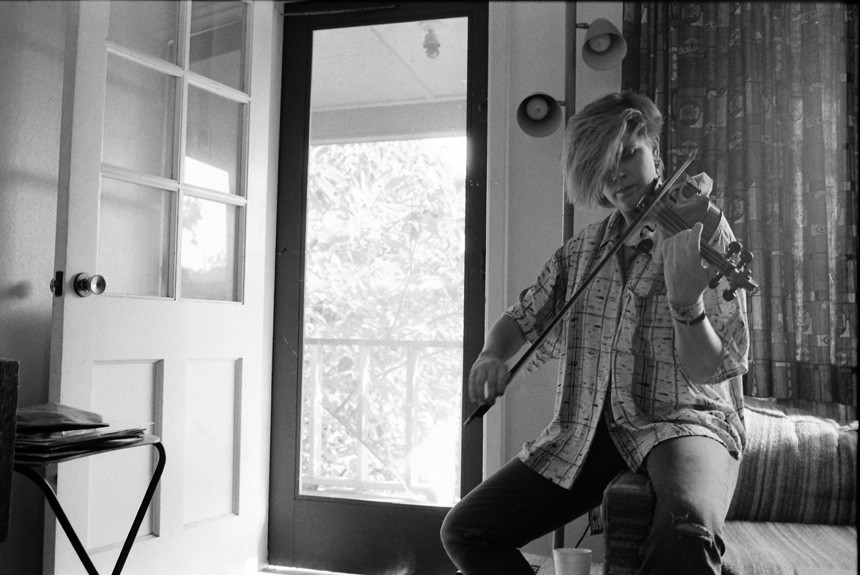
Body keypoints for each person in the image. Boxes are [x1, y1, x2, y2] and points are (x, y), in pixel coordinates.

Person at [440, 91, 749, 575]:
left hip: (681, 420)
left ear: (655, 151)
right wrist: (491, 354)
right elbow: (524, 315)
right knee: (465, 530)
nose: (616, 174)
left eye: (628, 154)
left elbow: (712, 368)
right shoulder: (584, 249)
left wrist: (687, 305)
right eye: (602, 165)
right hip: (589, 425)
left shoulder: (701, 232)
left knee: (687, 532)